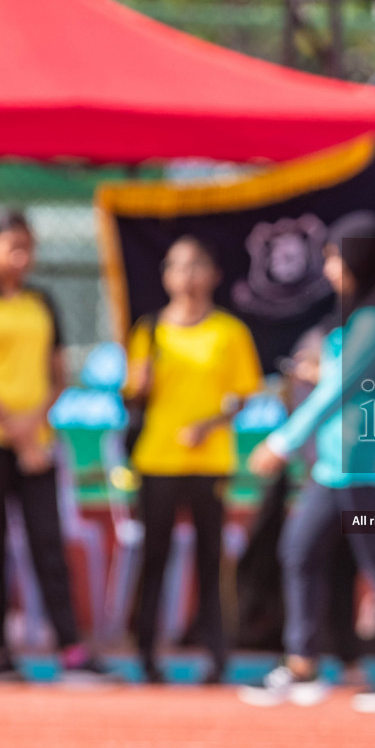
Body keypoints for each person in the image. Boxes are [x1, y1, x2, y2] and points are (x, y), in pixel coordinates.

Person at [241, 212, 375, 713]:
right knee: (300, 550)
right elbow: (344, 376)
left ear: (359, 260)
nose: (329, 268)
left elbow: (339, 389)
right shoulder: (358, 319)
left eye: (334, 257)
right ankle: (303, 663)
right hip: (334, 468)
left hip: (371, 467)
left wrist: (282, 443)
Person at [0, 209, 110, 682]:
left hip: (36, 441)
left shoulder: (43, 302)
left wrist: (33, 425)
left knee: (48, 542)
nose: (21, 257)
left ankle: (71, 648)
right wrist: (11, 427)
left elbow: (59, 376)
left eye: (28, 248)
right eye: (12, 246)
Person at [124, 235, 262, 685]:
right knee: (155, 557)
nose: (187, 276)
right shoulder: (148, 331)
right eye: (177, 266)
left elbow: (243, 395)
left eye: (196, 265)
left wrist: (209, 424)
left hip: (210, 462)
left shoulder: (230, 332)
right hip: (157, 460)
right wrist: (138, 386)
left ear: (214, 275)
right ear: (165, 276)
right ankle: (146, 653)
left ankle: (217, 655)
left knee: (210, 559)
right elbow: (132, 395)